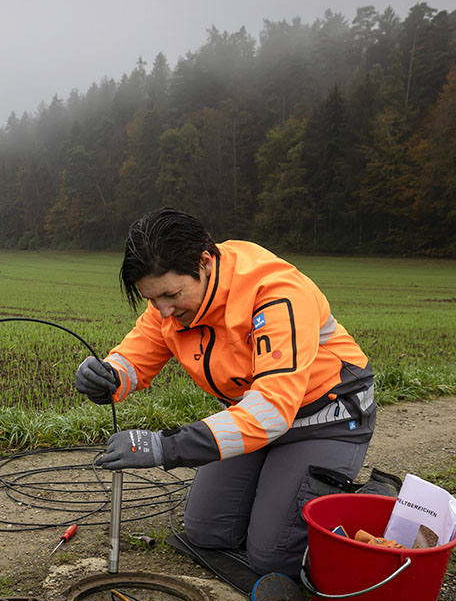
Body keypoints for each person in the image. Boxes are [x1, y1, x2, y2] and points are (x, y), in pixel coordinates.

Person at [74, 208, 376, 578]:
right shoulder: (170, 302)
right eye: (152, 300)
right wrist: (107, 375)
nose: (164, 311)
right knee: (207, 530)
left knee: (272, 560)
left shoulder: (276, 293)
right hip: (253, 418)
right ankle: (281, 493)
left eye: (171, 295)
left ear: (204, 261)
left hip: (324, 417)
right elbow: (136, 356)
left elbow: (269, 413)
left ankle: (368, 502)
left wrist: (164, 447)